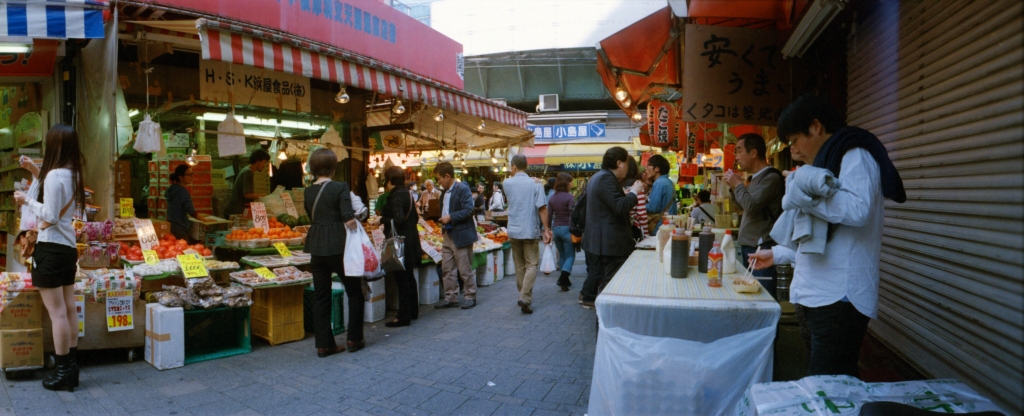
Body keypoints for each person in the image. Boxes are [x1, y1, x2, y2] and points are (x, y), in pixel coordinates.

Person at [749, 94, 906, 377]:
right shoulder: (825, 167)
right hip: (816, 294)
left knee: (830, 383)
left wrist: (800, 193)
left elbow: (858, 210)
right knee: (822, 382)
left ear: (817, 127)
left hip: (840, 297)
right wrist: (778, 253)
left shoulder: (855, 155)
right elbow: (823, 238)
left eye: (795, 140)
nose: (793, 151)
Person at [13, 124, 86, 391]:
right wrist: (35, 170)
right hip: (67, 248)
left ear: (54, 145)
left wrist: (26, 200)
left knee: (57, 313)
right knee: (68, 309)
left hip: (51, 248)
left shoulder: (55, 175)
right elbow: (56, 200)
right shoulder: (72, 173)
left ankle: (63, 370)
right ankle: (72, 368)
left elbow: (51, 215)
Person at [303, 148, 365, 357]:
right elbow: (348, 218)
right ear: (332, 167)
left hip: (316, 246)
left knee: (321, 295)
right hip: (339, 246)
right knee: (354, 292)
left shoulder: (308, 190)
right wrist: (360, 225)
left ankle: (324, 345)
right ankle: (354, 339)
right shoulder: (340, 187)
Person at [580, 147, 642, 309]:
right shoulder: (605, 179)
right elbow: (620, 207)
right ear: (619, 163)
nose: (628, 168)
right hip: (609, 244)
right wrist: (634, 193)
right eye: (627, 164)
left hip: (604, 242)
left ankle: (605, 323)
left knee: (608, 284)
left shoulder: (599, 177)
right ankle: (604, 326)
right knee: (609, 286)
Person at [723, 133, 784, 295]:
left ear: (754, 153)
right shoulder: (756, 178)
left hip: (762, 246)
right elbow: (743, 205)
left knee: (761, 295)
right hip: (751, 245)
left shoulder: (771, 178)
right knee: (750, 292)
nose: (737, 157)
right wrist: (733, 187)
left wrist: (738, 184)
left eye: (739, 151)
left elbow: (750, 205)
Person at [503, 155, 552, 314]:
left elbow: (516, 185)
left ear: (513, 167)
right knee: (532, 265)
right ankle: (524, 297)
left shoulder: (506, 183)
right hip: (530, 229)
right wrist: (546, 229)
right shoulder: (536, 185)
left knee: (519, 266)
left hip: (514, 230)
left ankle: (524, 297)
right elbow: (542, 208)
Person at [433, 162, 478, 309]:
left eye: (439, 178)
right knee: (447, 268)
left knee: (464, 269)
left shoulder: (462, 189)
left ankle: (470, 295)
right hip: (448, 234)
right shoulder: (444, 192)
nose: (438, 181)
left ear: (447, 176)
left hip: (461, 235)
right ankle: (450, 296)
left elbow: (469, 210)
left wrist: (450, 217)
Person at [380, 166, 422, 327]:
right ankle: (413, 311)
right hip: (411, 240)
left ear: (390, 181)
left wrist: (381, 220)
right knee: (409, 276)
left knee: (402, 278)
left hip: (400, 244)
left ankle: (403, 316)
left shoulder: (396, 196)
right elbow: (415, 218)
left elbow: (397, 219)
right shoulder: (408, 193)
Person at [547, 172, 576, 292]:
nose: (572, 183)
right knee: (570, 255)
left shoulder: (552, 198)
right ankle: (563, 278)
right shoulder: (570, 197)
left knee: (562, 255)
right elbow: (573, 214)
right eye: (570, 181)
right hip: (567, 229)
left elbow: (549, 215)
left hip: (556, 229)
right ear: (566, 183)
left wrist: (548, 229)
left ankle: (566, 280)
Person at [223, 149, 270, 218]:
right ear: (258, 160)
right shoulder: (248, 172)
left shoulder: (246, 170)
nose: (264, 165)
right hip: (235, 213)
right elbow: (247, 195)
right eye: (264, 162)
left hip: (235, 211)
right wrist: (264, 196)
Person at [166, 164, 206, 242]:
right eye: (189, 174)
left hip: (171, 226)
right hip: (180, 228)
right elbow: (191, 211)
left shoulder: (172, 189)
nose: (192, 177)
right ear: (180, 177)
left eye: (192, 174)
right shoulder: (182, 191)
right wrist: (204, 220)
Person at [644, 154, 677, 233]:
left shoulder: (659, 183)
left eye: (648, 165)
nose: (646, 168)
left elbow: (653, 208)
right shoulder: (669, 182)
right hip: (670, 224)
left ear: (657, 168)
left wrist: (639, 203)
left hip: (660, 226)